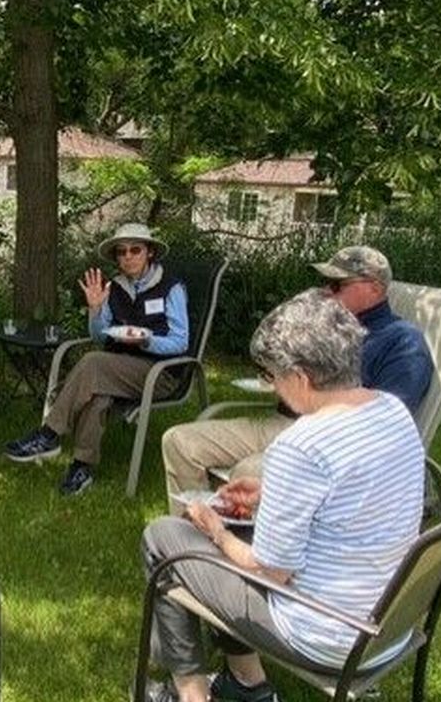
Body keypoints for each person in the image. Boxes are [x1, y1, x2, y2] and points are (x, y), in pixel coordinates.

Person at [139, 290, 425, 702]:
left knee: (164, 539)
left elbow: (269, 572)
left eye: (274, 376)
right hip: (387, 625)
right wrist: (269, 492)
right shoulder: (391, 411)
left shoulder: (303, 443)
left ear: (302, 377)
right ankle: (245, 686)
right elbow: (354, 492)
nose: (274, 385)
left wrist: (216, 531)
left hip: (327, 635)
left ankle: (193, 695)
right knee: (233, 542)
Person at [160, 245, 433, 510]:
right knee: (180, 442)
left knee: (248, 472)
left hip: (329, 441)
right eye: (325, 282)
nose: (326, 291)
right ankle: (193, 534)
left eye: (337, 284)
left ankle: (241, 544)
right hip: (282, 421)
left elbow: (387, 417)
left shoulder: (402, 341)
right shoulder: (321, 326)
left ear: (374, 288)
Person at [3, 222, 189, 495]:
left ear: (149, 252)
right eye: (121, 252)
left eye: (135, 250)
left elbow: (180, 341)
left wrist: (146, 340)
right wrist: (96, 309)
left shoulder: (170, 288)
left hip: (160, 372)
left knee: (92, 362)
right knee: (97, 393)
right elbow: (102, 337)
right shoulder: (114, 287)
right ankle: (82, 467)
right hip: (118, 369)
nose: (128, 257)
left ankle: (49, 434)